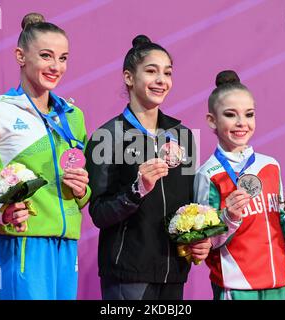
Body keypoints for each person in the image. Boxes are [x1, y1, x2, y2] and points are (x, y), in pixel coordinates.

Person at [0, 13, 90, 300]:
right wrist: (0, 212)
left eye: (63, 58)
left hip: (66, 246)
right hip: (21, 242)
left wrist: (83, 189)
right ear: (20, 56)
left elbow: (83, 192)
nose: (56, 66)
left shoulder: (73, 117)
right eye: (46, 56)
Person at [85, 35, 212, 300]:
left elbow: (190, 206)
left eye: (167, 73)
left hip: (174, 271)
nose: (161, 80)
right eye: (151, 71)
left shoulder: (183, 135)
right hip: (128, 274)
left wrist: (200, 238)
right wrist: (137, 190)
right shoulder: (107, 137)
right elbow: (99, 212)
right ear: (129, 78)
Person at [194, 70, 285, 300]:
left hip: (278, 283)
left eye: (249, 114)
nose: (242, 123)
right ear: (212, 120)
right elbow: (207, 244)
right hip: (237, 287)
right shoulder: (208, 174)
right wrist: (229, 217)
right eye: (230, 115)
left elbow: (280, 226)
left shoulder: (270, 166)